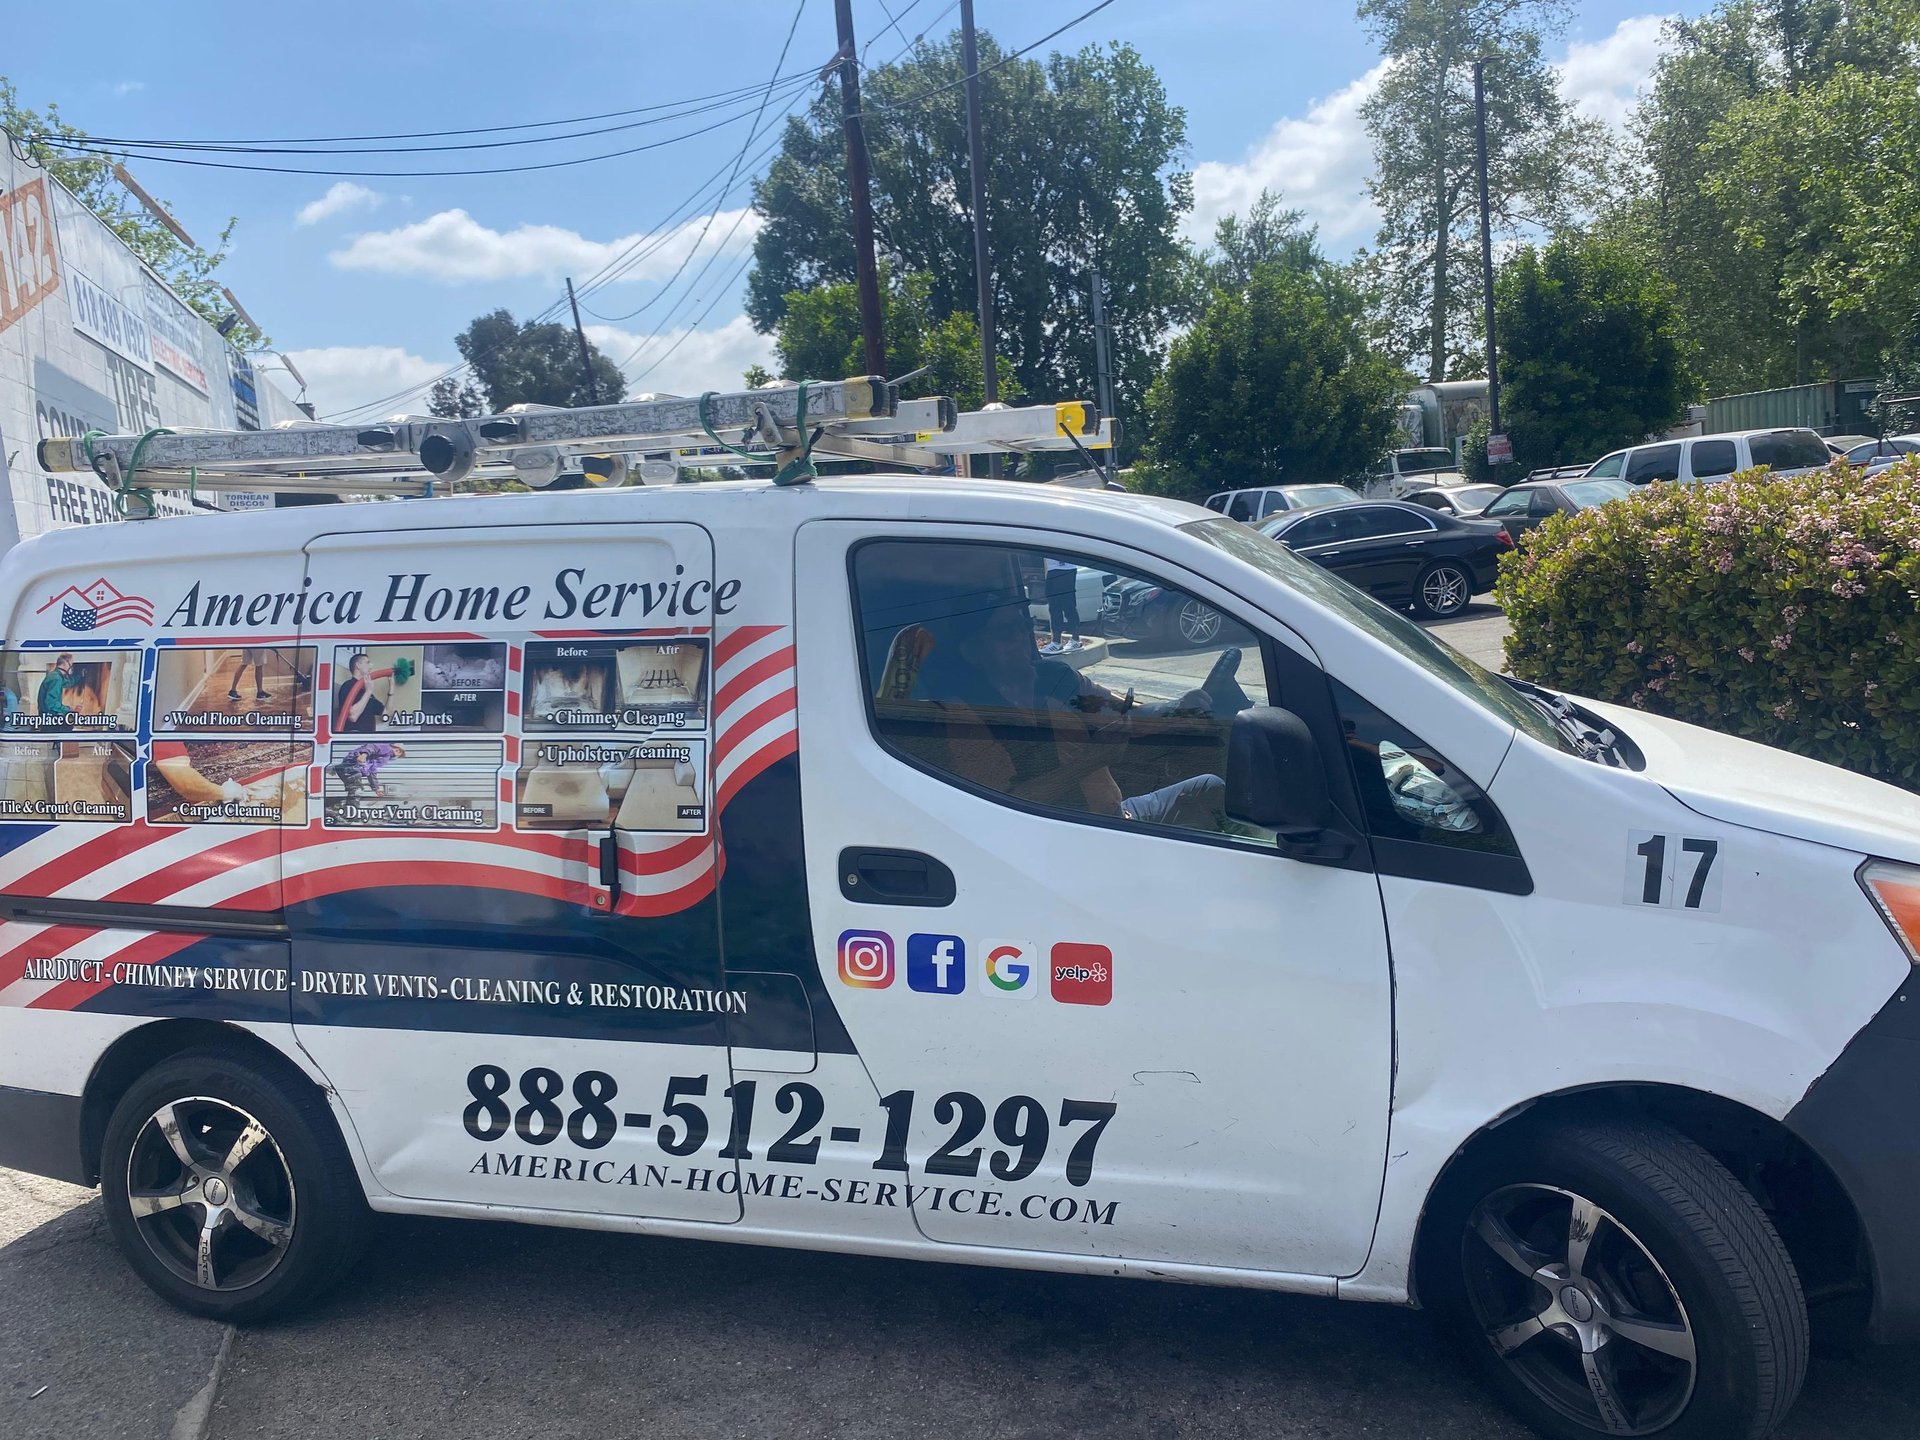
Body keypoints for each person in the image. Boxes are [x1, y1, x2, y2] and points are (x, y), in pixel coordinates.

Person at [883, 585, 1235, 831]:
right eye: (1006, 634)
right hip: (1064, 840)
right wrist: (1092, 760)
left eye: (1024, 627)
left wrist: (1179, 708)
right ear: (974, 653)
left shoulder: (1056, 680)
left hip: (1115, 817)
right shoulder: (967, 716)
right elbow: (1006, 804)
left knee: (1209, 788)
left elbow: (1121, 714)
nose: (1021, 640)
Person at [334, 742, 405, 802]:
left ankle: (351, 806)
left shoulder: (386, 757)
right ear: (398, 750)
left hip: (355, 768)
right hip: (354, 765)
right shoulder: (386, 748)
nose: (398, 755)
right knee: (356, 789)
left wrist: (376, 788)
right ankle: (351, 806)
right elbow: (372, 747)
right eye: (400, 754)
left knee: (354, 790)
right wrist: (364, 755)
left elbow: (372, 771)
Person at [1041, 557, 1083, 655]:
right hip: (1053, 569)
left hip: (1064, 568)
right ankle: (1058, 642)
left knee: (1066, 606)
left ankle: (1071, 640)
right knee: (1054, 606)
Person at [334, 653, 385, 732]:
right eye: (367, 663)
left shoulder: (366, 691)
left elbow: (386, 712)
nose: (371, 666)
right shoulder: (348, 686)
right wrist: (368, 692)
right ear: (358, 665)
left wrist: (391, 689)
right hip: (354, 740)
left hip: (369, 741)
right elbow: (353, 716)